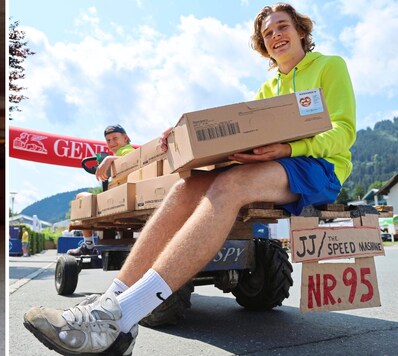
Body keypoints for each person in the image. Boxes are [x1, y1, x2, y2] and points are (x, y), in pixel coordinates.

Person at [23, 3, 356, 354]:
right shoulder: (269, 85)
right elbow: (246, 130)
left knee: (230, 185)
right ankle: (110, 304)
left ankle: (122, 318)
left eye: (282, 27)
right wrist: (184, 135)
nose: (276, 35)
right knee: (189, 184)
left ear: (301, 31)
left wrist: (288, 149)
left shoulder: (329, 66)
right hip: (272, 163)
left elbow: (344, 131)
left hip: (320, 166)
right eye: (268, 33)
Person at [66, 124, 135, 256]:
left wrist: (108, 159)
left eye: (115, 138)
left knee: (81, 197)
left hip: (120, 199)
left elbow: (133, 159)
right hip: (119, 196)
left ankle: (88, 245)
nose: (112, 143)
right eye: (108, 140)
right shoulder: (118, 153)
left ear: (125, 138)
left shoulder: (127, 150)